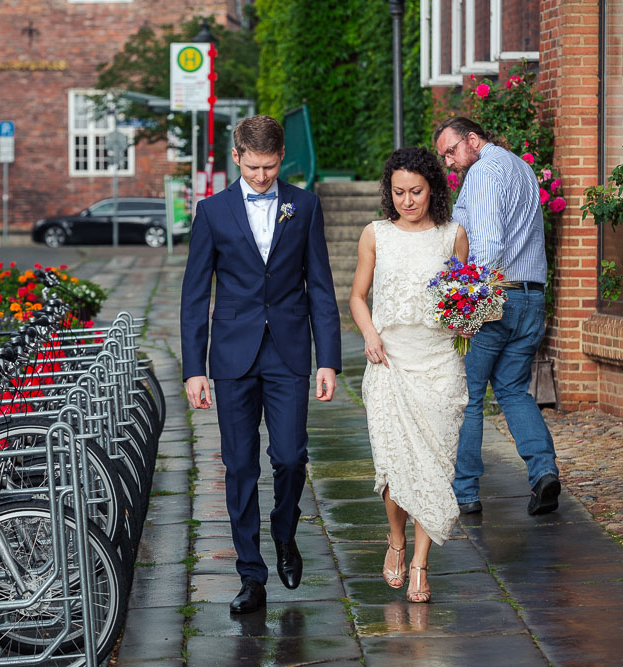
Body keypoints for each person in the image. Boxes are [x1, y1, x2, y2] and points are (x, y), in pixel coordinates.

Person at [180, 115, 341, 615]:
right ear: (236, 156)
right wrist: (193, 368)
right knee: (240, 467)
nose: (261, 177)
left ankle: (284, 530)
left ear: (281, 158)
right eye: (252, 168)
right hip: (231, 357)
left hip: (289, 351)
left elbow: (321, 286)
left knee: (291, 457)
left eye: (270, 167)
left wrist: (328, 359)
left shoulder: (304, 205)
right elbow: (193, 296)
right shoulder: (211, 212)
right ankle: (251, 575)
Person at [349, 146, 469, 604]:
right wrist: (369, 335)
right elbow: (358, 295)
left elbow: (463, 299)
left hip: (439, 364)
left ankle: (420, 563)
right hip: (389, 362)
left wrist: (467, 318)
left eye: (415, 191)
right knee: (395, 464)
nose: (407, 200)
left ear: (432, 188)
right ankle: (395, 541)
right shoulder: (375, 234)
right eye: (398, 192)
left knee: (435, 467)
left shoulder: (453, 235)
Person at [434, 117, 561, 517]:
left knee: (469, 396)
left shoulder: (485, 171)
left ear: (472, 139)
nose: (449, 162)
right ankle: (544, 474)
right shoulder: (520, 167)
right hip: (531, 297)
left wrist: (467, 303)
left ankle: (466, 491)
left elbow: (487, 242)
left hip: (496, 300)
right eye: (444, 156)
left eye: (451, 151)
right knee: (511, 390)